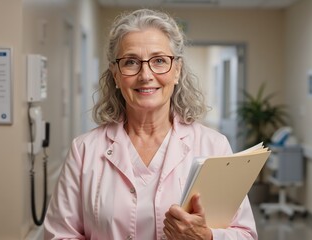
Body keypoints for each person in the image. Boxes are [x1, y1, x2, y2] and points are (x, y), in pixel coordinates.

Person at [44, 8, 257, 240]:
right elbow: (59, 235)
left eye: (159, 61)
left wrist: (207, 237)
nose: (146, 74)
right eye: (131, 62)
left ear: (177, 71)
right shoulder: (84, 151)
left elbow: (245, 234)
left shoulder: (213, 146)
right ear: (115, 74)